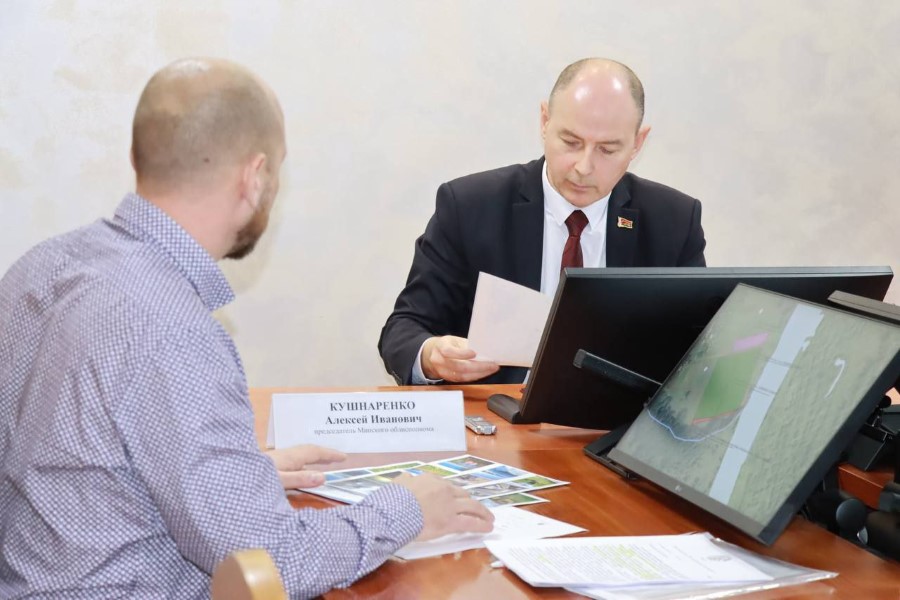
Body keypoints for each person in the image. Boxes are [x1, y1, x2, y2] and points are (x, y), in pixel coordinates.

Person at [0, 58, 492, 598]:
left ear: (139, 157)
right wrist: (405, 509)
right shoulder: (174, 328)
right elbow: (276, 565)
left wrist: (238, 478)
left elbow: (75, 461)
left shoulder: (40, 267)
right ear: (254, 178)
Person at [379, 58, 707, 386]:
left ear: (637, 144)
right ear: (545, 122)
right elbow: (403, 329)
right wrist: (432, 355)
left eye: (607, 150)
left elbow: (701, 348)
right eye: (571, 142)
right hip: (496, 413)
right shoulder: (470, 206)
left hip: (619, 415)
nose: (584, 167)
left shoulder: (673, 222)